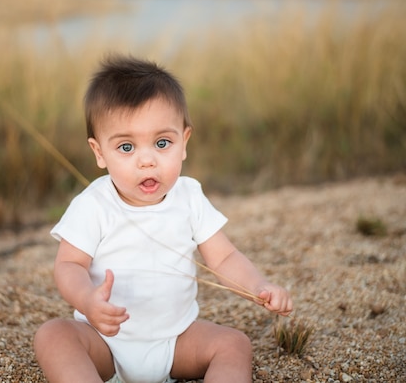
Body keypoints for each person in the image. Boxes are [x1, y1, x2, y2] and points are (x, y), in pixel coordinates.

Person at [33, 54, 293, 383]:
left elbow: (224, 257)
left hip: (176, 341)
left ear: (183, 143)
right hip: (105, 344)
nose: (147, 160)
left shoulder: (189, 197)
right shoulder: (93, 205)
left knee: (234, 344)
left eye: (161, 143)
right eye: (126, 147)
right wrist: (87, 299)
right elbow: (69, 265)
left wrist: (258, 286)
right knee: (53, 336)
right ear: (99, 152)